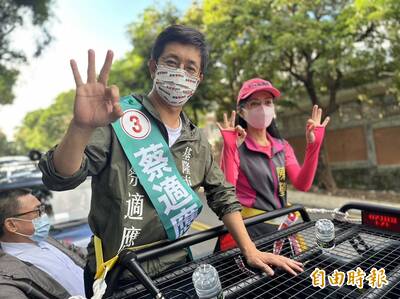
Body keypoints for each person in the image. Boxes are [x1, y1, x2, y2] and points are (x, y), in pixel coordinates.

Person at [39, 25, 303, 297]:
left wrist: (250, 250)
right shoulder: (117, 118)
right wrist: (81, 127)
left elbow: (222, 194)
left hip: (178, 267)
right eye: (172, 62)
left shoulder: (196, 139)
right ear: (154, 67)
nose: (180, 73)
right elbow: (60, 177)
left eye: (190, 68)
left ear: (198, 79)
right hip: (119, 275)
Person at [216, 78, 330, 251]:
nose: (263, 108)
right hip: (248, 234)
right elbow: (227, 189)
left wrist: (314, 146)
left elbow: (303, 184)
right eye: (254, 103)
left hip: (280, 230)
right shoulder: (236, 145)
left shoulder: (282, 146)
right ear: (241, 111)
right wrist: (230, 150)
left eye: (268, 102)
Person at [0, 189, 85, 298]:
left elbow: (81, 254)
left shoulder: (44, 240)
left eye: (42, 208)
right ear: (11, 225)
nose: (44, 215)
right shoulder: (8, 275)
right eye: (37, 211)